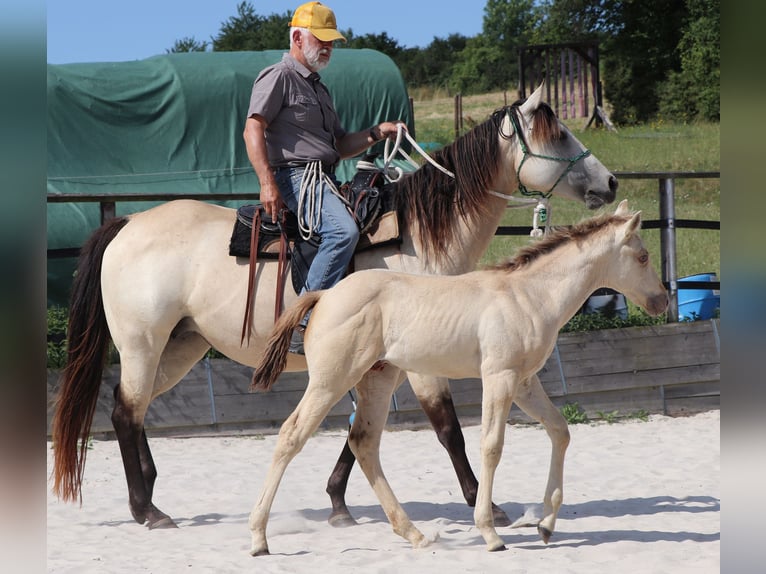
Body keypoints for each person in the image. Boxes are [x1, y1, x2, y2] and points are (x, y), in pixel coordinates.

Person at [243, 1, 406, 354]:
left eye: (332, 41)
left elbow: (339, 145)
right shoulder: (279, 76)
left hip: (324, 176)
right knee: (342, 230)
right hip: (295, 176)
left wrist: (378, 132)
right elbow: (253, 128)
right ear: (298, 37)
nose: (329, 47)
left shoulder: (319, 88)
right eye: (322, 39)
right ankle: (301, 321)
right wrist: (267, 182)